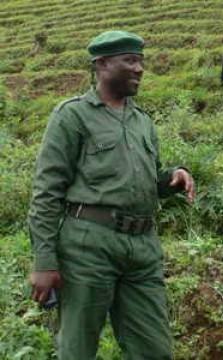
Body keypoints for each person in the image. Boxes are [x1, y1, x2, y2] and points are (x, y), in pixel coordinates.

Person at [28, 30, 195, 359]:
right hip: (88, 246)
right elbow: (47, 192)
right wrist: (44, 261)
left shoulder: (142, 121)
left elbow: (144, 179)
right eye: (130, 61)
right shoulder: (72, 116)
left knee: (155, 349)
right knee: (78, 348)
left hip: (143, 248)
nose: (139, 69)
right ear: (102, 64)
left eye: (141, 61)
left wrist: (172, 179)